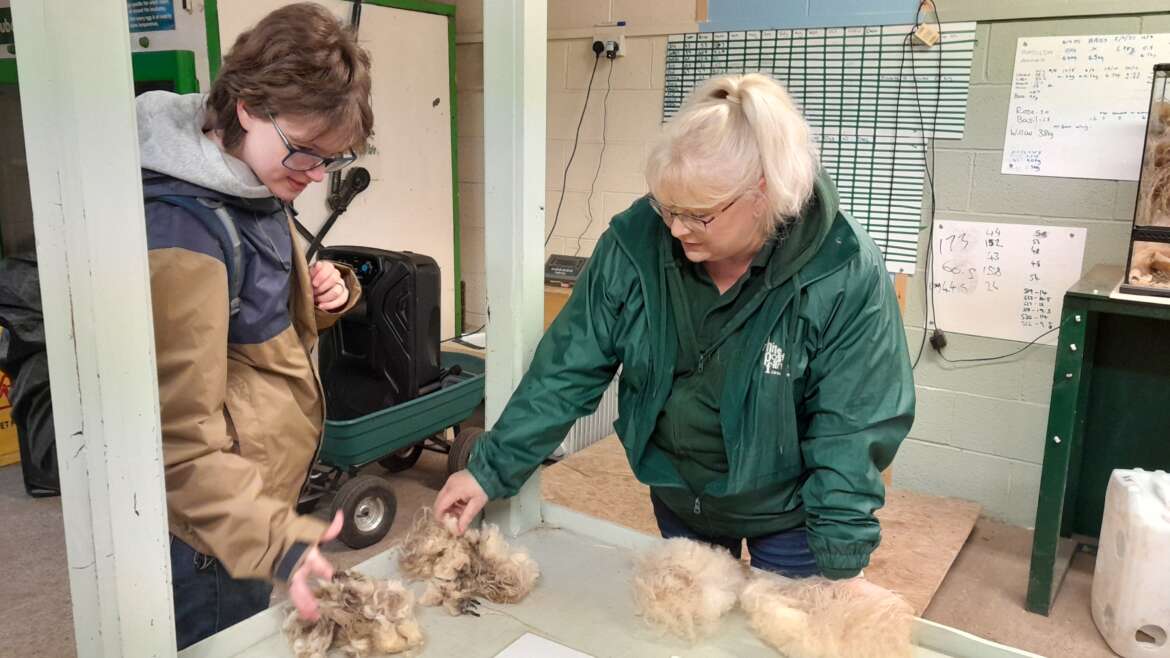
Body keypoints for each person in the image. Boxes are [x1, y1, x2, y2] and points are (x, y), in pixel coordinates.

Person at [435, 73, 915, 584]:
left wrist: (840, 561)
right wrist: (490, 469)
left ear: (763, 193)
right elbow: (567, 369)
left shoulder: (841, 270)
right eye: (668, 208)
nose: (677, 228)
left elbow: (854, 423)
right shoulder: (636, 242)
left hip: (793, 514)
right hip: (681, 496)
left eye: (699, 215)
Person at [135, 3, 372, 648]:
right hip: (212, 527)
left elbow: (254, 315)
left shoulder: (252, 180)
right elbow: (175, 438)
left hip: (254, 491)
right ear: (246, 106)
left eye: (333, 157)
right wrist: (275, 541)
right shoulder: (181, 230)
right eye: (305, 152)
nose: (316, 174)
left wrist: (327, 293)